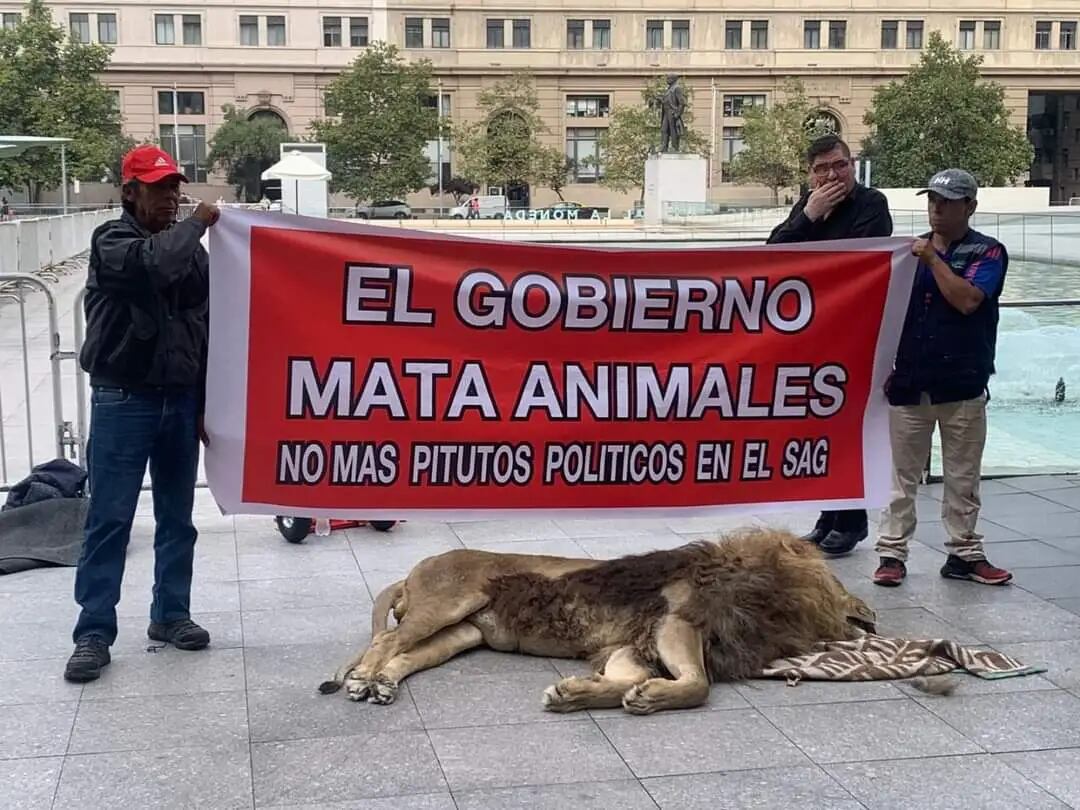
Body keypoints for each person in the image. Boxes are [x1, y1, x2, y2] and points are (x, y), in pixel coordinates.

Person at [64, 144, 220, 683]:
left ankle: (171, 614)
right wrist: (201, 222)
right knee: (110, 520)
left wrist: (204, 402)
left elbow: (203, 327)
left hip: (178, 402)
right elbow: (153, 267)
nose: (172, 199)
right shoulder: (113, 241)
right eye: (159, 189)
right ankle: (93, 631)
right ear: (130, 192)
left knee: (178, 519)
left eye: (176, 189)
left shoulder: (189, 253)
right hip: (123, 401)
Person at [873, 169, 1012, 587]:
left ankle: (964, 554)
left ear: (970, 206)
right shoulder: (906, 253)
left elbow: (968, 300)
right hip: (911, 382)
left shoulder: (988, 254)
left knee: (963, 477)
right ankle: (892, 553)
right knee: (900, 477)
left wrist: (933, 259)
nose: (937, 209)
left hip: (963, 383)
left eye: (947, 202)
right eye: (932, 200)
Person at [767, 134, 893, 556]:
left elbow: (853, 261)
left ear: (852, 164)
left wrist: (812, 240)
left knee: (849, 428)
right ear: (810, 173)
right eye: (822, 169)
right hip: (812, 338)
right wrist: (808, 217)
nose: (831, 175)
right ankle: (829, 515)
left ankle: (852, 520)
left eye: (839, 166)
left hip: (855, 336)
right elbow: (772, 257)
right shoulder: (807, 206)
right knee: (819, 428)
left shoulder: (871, 205)